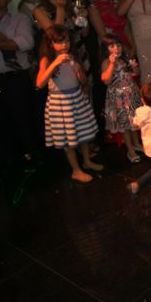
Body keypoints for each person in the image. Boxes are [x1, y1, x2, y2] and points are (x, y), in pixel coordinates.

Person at [36, 25, 102, 183]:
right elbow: (39, 83)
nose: (64, 45)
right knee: (68, 139)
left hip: (76, 97)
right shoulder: (47, 60)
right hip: (60, 103)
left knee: (84, 133)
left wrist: (79, 72)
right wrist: (55, 63)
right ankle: (76, 170)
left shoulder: (73, 56)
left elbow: (84, 82)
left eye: (66, 41)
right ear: (50, 44)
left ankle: (86, 161)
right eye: (59, 42)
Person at [0, 0, 38, 181]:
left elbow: (25, 43)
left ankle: (33, 160)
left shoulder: (19, 19)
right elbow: (14, 43)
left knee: (23, 120)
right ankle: (6, 163)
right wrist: (6, 42)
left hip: (16, 78)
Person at [101, 35, 143, 165]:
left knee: (134, 121)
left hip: (131, 93)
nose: (116, 48)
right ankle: (130, 149)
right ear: (106, 48)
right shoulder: (106, 63)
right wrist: (112, 64)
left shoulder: (124, 59)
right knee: (124, 124)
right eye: (112, 46)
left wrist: (134, 67)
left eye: (118, 45)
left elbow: (135, 74)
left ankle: (136, 144)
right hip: (118, 97)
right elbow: (106, 80)